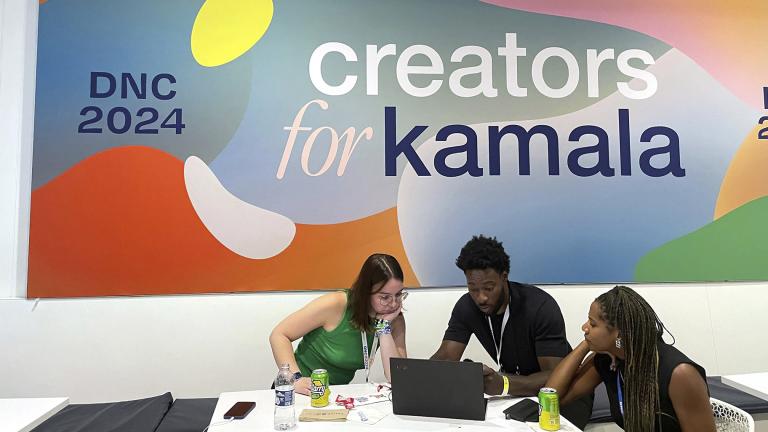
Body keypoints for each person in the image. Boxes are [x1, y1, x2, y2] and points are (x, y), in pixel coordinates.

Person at [430, 235, 592, 428]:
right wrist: (420, 378)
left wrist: (504, 384)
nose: (481, 298)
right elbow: (447, 355)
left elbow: (553, 377)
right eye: (473, 288)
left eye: (489, 288)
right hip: (516, 394)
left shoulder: (539, 307)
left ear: (504, 276)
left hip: (562, 397)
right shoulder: (466, 307)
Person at [545, 285, 716, 432]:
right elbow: (551, 398)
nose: (584, 327)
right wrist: (585, 345)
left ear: (619, 333)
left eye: (593, 324)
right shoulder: (608, 360)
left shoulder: (679, 374)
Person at [269, 253, 407, 395]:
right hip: (299, 389)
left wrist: (384, 328)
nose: (394, 303)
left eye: (399, 295)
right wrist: (295, 379)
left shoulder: (393, 320)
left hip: (333, 394)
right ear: (366, 292)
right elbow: (279, 335)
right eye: (385, 297)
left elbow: (399, 378)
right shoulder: (337, 304)